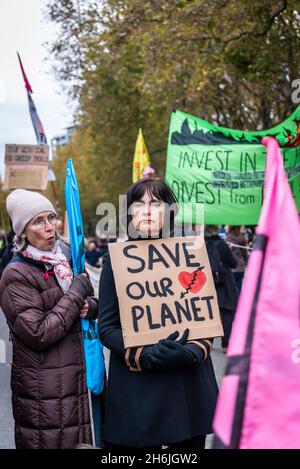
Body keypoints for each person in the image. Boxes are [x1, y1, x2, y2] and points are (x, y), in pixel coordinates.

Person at [98, 178, 219, 451]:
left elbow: (208, 316)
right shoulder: (115, 260)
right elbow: (106, 327)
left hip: (187, 386)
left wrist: (192, 352)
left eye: (155, 203)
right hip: (139, 387)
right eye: (139, 204)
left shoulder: (193, 253)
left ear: (170, 211)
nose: (147, 211)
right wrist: (143, 354)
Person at [0, 189, 98, 449]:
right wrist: (77, 293)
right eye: (38, 221)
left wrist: (91, 306)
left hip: (77, 380)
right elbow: (38, 332)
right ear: (22, 231)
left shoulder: (65, 258)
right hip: (44, 391)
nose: (49, 227)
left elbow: (88, 298)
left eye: (51, 218)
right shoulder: (16, 274)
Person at [204, 225, 238, 353]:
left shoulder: (201, 244)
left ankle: (208, 342)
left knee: (209, 313)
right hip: (225, 284)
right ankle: (226, 344)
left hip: (208, 283)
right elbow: (233, 264)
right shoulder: (222, 244)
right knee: (227, 314)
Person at [225, 225, 248, 296]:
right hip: (241, 267)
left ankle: (236, 305)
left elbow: (227, 254)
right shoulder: (242, 237)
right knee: (239, 287)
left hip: (232, 268)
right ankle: (240, 304)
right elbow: (245, 253)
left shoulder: (228, 238)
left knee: (233, 290)